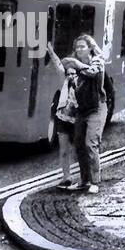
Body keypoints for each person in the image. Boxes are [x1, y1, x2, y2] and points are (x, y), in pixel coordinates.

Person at [67, 34, 109, 195]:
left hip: (97, 107)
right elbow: (70, 75)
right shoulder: (75, 64)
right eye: (77, 47)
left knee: (91, 144)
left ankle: (95, 181)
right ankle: (85, 180)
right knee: (79, 144)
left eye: (82, 47)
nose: (78, 50)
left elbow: (92, 72)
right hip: (81, 108)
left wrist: (75, 65)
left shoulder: (97, 61)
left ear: (90, 48)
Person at [46, 46, 81, 190]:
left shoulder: (82, 84)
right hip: (62, 120)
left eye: (73, 73)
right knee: (64, 150)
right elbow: (57, 63)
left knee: (80, 150)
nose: (71, 76)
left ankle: (84, 177)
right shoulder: (64, 82)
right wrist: (50, 50)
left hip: (77, 121)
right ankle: (66, 177)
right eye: (68, 73)